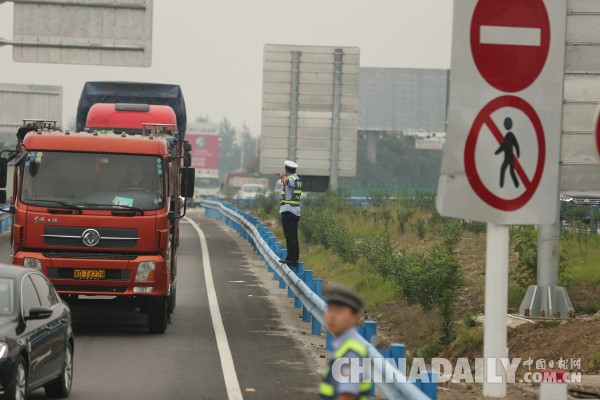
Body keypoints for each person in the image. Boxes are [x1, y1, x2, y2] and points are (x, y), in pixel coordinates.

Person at [321, 284, 372, 400]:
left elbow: (347, 396)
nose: (332, 316)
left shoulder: (351, 354)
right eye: (330, 309)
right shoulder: (342, 346)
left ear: (354, 317)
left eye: (339, 311)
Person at [276, 160, 302, 265]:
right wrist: (283, 177)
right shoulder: (297, 178)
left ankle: (291, 258)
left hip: (288, 211)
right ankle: (294, 257)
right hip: (295, 211)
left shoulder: (290, 179)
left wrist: (284, 179)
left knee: (289, 236)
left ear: (286, 169)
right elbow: (289, 182)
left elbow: (287, 181)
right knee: (294, 236)